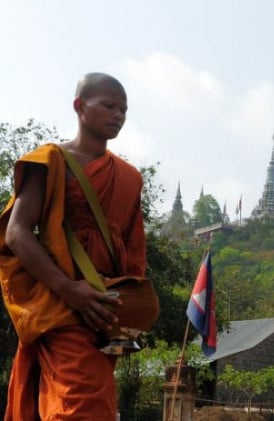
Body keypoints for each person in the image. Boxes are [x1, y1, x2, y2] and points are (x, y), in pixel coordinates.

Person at [0, 73, 146, 420]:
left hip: (102, 312)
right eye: (109, 106)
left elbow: (134, 253)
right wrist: (68, 288)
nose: (118, 115)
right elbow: (17, 234)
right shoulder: (50, 161)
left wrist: (128, 311)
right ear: (80, 107)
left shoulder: (128, 177)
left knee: (87, 403)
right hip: (60, 306)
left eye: (123, 109)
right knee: (80, 405)